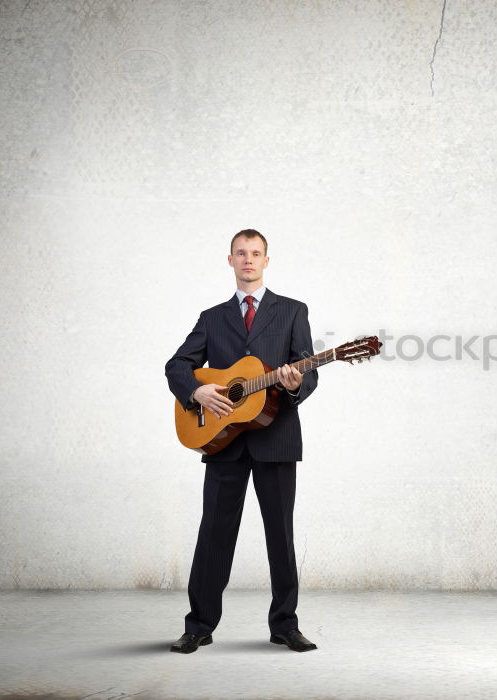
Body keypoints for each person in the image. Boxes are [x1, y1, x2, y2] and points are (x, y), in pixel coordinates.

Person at [164, 229, 320, 653]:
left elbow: (310, 376)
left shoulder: (292, 311)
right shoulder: (212, 317)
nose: (248, 259)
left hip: (277, 437)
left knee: (280, 536)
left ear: (267, 260)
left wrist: (291, 385)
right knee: (213, 533)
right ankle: (198, 625)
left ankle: (285, 625)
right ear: (230, 260)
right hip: (223, 440)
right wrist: (195, 392)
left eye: (256, 253)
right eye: (241, 253)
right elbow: (177, 364)